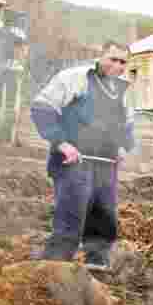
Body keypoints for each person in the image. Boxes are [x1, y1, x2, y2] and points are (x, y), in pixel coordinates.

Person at [30, 42, 136, 271]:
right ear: (100, 56)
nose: (117, 65)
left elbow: (126, 126)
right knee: (71, 217)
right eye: (112, 58)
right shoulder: (75, 78)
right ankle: (53, 270)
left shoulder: (122, 89)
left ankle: (96, 266)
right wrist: (62, 143)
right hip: (74, 160)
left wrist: (123, 147)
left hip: (106, 164)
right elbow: (42, 108)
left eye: (122, 61)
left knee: (103, 217)